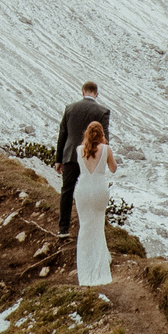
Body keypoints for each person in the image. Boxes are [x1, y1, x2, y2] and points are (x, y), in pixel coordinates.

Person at [55, 82, 110, 236]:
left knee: (67, 190)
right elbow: (105, 138)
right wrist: (103, 159)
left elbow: (63, 135)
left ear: (82, 92)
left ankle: (63, 228)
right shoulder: (103, 111)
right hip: (91, 157)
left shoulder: (70, 108)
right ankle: (89, 227)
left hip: (71, 155)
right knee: (91, 191)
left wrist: (59, 159)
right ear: (96, 93)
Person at [75, 118, 118, 289]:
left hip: (83, 189)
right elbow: (113, 168)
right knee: (98, 226)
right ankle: (100, 265)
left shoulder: (79, 149)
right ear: (101, 135)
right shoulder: (106, 149)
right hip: (99, 189)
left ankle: (85, 270)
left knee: (85, 227)